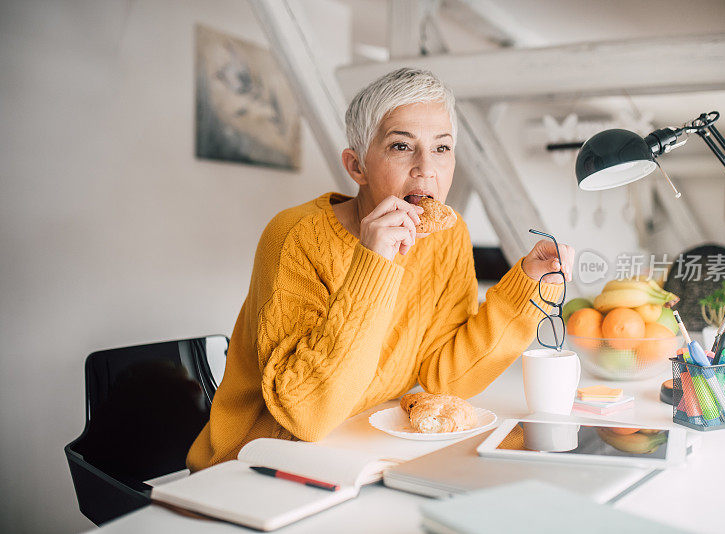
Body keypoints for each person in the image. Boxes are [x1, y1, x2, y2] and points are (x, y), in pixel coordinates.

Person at [187, 68, 574, 471]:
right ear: (357, 167)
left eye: (442, 148)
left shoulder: (448, 234)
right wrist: (374, 262)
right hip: (256, 463)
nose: (426, 168)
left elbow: (449, 379)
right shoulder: (294, 237)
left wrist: (528, 283)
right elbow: (307, 416)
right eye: (401, 146)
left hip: (363, 451)